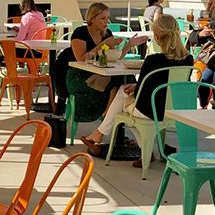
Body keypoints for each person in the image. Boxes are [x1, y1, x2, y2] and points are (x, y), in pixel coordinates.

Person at [81, 15, 192, 163]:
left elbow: (144, 93)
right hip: (173, 110)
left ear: (158, 37)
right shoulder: (188, 59)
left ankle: (101, 135)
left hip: (152, 110)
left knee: (123, 100)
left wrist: (137, 88)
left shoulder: (153, 60)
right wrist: (137, 87)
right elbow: (169, 83)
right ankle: (144, 150)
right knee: (124, 94)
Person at [52, 1, 146, 119]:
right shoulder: (80, 33)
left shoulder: (107, 34)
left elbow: (112, 58)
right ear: (92, 19)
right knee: (117, 81)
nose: (107, 21)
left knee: (127, 79)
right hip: (76, 74)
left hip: (97, 73)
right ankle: (110, 115)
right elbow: (81, 59)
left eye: (108, 18)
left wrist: (129, 45)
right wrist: (103, 44)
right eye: (103, 18)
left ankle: (113, 115)